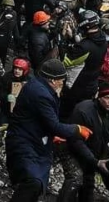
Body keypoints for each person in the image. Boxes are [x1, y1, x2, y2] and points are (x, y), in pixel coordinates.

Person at [5, 57, 85, 202]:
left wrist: (52, 134)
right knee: (33, 182)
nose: (62, 83)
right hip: (25, 143)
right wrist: (77, 129)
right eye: (61, 79)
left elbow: (42, 121)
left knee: (34, 185)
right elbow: (54, 125)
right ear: (53, 80)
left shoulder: (37, 86)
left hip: (33, 139)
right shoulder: (42, 95)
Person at [63, 83, 109, 202]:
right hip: (73, 152)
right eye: (107, 98)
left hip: (95, 152)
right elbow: (76, 141)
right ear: (99, 97)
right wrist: (95, 162)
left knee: (88, 184)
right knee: (74, 182)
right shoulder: (83, 110)